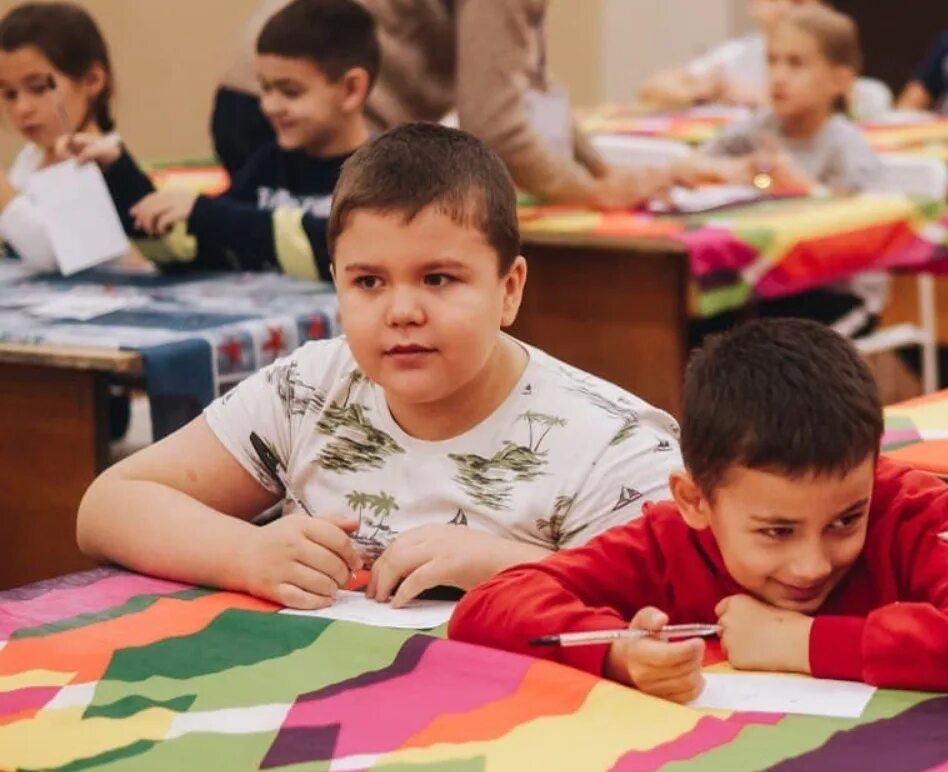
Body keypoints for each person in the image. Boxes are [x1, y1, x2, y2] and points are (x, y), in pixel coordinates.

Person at [77, 124, 681, 611]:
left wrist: (514, 568)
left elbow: (695, 594)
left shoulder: (613, 442)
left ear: (510, 288)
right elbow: (110, 505)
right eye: (369, 282)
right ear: (336, 284)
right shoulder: (308, 390)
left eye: (439, 278)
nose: (402, 312)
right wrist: (246, 554)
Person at [450, 318, 948, 702]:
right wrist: (613, 650)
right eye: (776, 531)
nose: (812, 563)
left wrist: (805, 643)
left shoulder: (915, 510)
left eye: (846, 520)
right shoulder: (667, 540)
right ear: (694, 501)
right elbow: (489, 607)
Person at [212, 0, 665, 210]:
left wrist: (600, 172)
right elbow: (498, 128)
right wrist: (590, 192)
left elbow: (525, 79)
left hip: (250, 90)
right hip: (314, 109)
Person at [93, 0, 377, 280]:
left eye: (290, 91)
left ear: (351, 89)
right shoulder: (268, 164)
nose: (269, 106)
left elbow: (341, 252)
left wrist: (207, 214)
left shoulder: (385, 174)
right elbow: (193, 247)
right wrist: (118, 173)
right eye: (265, 89)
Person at [672, 6, 887, 339]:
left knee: (760, 344)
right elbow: (685, 166)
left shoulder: (845, 145)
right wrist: (730, 171)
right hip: (762, 284)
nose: (779, 76)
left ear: (840, 80)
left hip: (837, 293)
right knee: (692, 328)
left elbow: (869, 227)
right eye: (772, 61)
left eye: (796, 64)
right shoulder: (758, 129)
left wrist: (806, 189)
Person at [0, 2, 153, 272]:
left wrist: (6, 201)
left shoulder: (102, 160)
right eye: (9, 94)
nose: (21, 109)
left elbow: (60, 256)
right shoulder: (30, 157)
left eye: (38, 89)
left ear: (93, 80)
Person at [639, 0, 815, 109]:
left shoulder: (828, 54)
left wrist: (753, 97)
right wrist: (699, 91)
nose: (784, 8)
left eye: (797, 2)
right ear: (753, 5)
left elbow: (835, 108)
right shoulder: (735, 52)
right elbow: (653, 88)